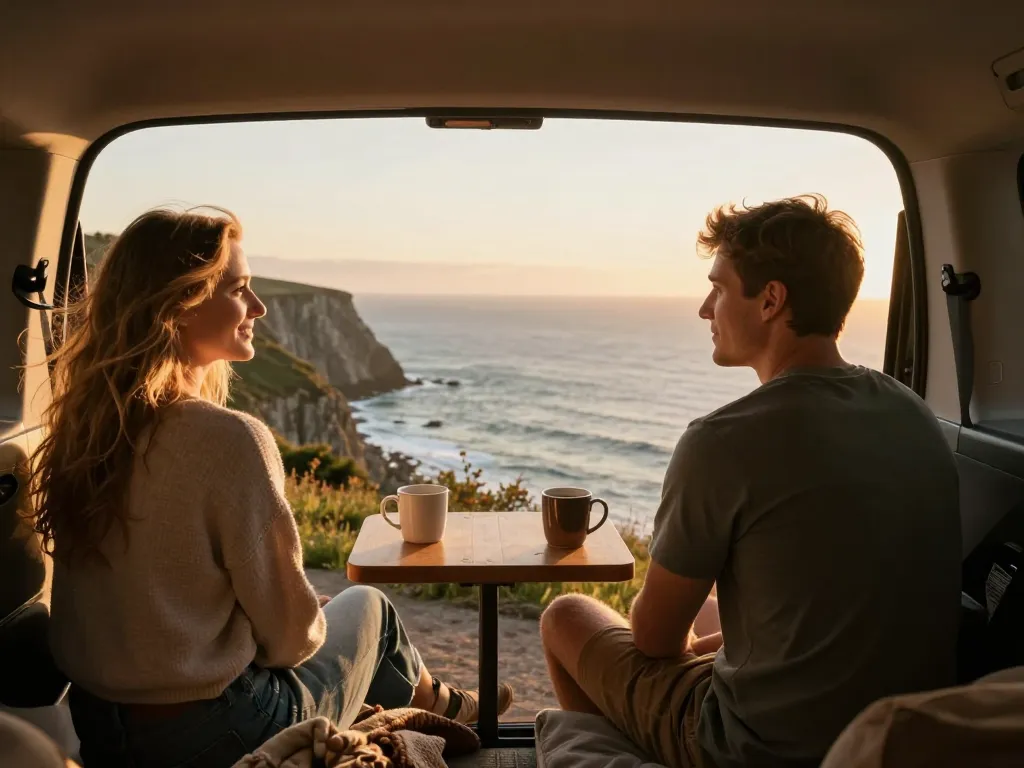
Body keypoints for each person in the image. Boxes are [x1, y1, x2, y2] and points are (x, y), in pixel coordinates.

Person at [28, 208, 513, 768]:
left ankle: (444, 701)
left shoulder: (82, 432)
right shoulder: (227, 439)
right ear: (175, 307)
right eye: (239, 290)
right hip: (215, 731)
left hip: (99, 726)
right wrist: (307, 619)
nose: (258, 308)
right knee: (371, 610)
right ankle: (445, 704)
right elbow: (293, 642)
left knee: (331, 617)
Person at [539, 194, 962, 768]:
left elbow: (656, 640)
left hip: (759, 748)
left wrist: (693, 648)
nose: (704, 308)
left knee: (567, 616)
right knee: (716, 614)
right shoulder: (914, 414)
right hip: (897, 739)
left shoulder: (722, 440)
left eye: (718, 288)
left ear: (770, 300)